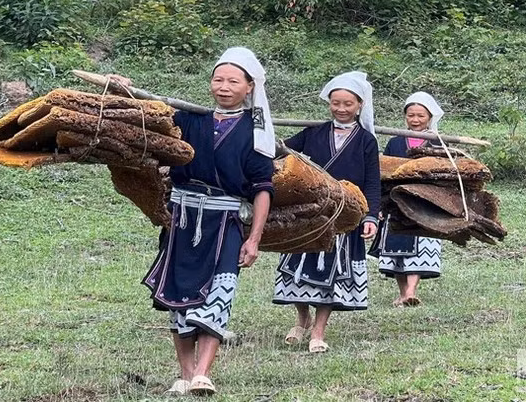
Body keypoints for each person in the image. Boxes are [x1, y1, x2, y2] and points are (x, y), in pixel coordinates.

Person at [119, 47, 275, 396]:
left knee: (220, 291)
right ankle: (186, 373)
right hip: (182, 219)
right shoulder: (190, 120)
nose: (224, 87)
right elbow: (146, 115)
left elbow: (263, 189)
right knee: (179, 294)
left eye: (233, 81)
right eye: (218, 79)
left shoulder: (256, 132)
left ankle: (204, 373)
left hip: (225, 221)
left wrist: (254, 239)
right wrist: (123, 89)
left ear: (249, 87)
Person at [272, 71, 380, 353]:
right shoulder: (313, 133)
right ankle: (302, 319)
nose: (341, 109)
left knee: (331, 273)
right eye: (336, 103)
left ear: (360, 105)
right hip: (309, 213)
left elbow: (372, 181)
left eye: (348, 104)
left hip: (344, 214)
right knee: (296, 268)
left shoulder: (367, 141)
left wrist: (370, 216)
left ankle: (319, 330)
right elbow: (279, 150)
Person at [368, 91, 444, 307]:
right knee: (395, 249)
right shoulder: (395, 142)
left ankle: (411, 291)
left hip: (424, 204)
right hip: (396, 202)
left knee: (420, 246)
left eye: (421, 116)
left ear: (430, 117)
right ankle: (403, 293)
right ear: (405, 117)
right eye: (411, 115)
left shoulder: (437, 144)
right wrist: (380, 203)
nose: (415, 120)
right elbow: (384, 172)